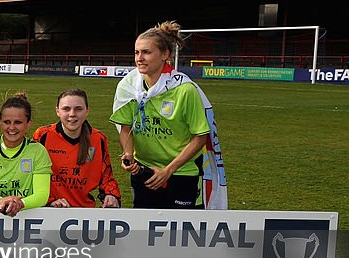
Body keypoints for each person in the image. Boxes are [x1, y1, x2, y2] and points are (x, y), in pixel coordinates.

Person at [110, 21, 219, 209]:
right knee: (144, 232)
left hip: (181, 174)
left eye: (146, 52)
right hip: (144, 172)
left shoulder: (185, 90)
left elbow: (200, 137)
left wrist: (168, 170)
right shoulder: (129, 87)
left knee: (180, 236)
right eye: (137, 52)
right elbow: (125, 127)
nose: (139, 58)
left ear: (165, 55)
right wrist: (129, 154)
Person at [33, 89, 121, 208]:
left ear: (87, 111)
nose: (72, 114)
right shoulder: (43, 135)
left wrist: (111, 195)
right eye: (66, 109)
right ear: (57, 111)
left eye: (78, 109)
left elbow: (107, 176)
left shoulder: (98, 139)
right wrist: (50, 200)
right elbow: (29, 175)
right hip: (50, 209)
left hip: (84, 211)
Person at [0, 93, 51, 216]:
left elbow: (42, 195)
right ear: (0, 122)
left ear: (28, 123)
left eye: (18, 122)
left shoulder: (38, 152)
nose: (11, 127)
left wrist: (20, 204)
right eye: (7, 122)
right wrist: (0, 201)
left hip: (25, 217)